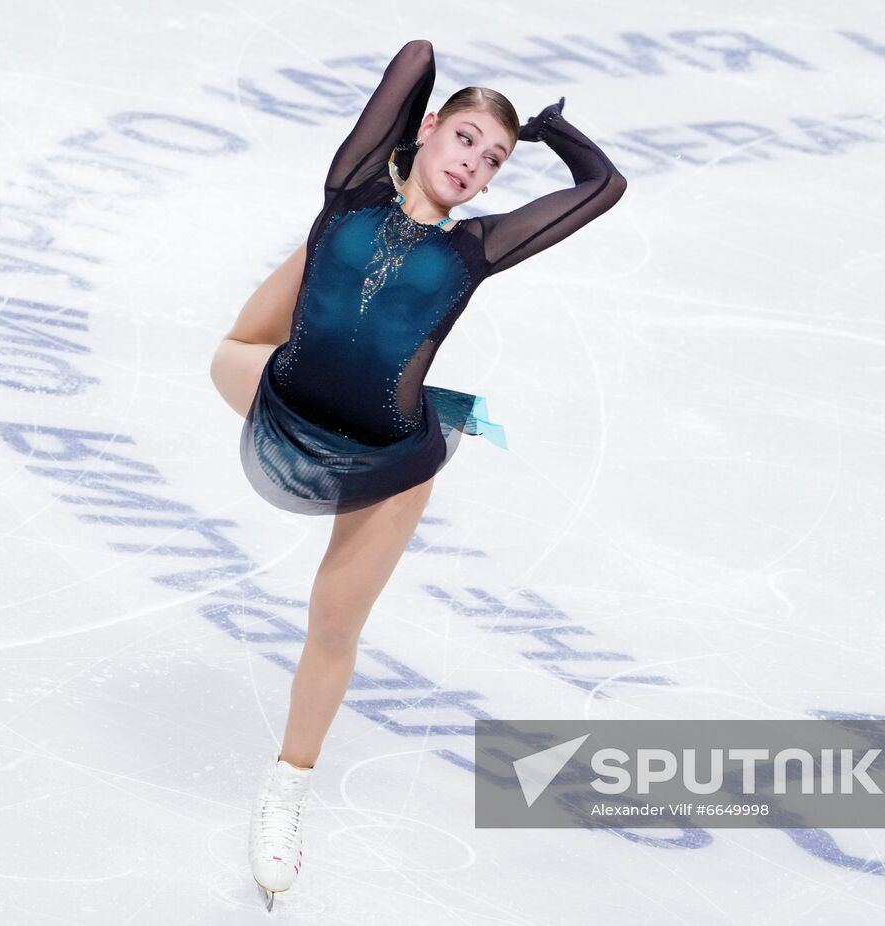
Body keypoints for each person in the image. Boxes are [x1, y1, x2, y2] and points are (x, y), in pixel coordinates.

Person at [208, 38, 626, 910]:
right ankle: (315, 328)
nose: (474, 164)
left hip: (389, 458)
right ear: (429, 129)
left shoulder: (476, 249)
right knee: (234, 350)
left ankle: (287, 789)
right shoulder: (353, 188)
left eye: (494, 159)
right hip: (285, 402)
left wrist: (556, 131)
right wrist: (434, 104)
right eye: (465, 138)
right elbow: (414, 59)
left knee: (331, 626)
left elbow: (603, 189)